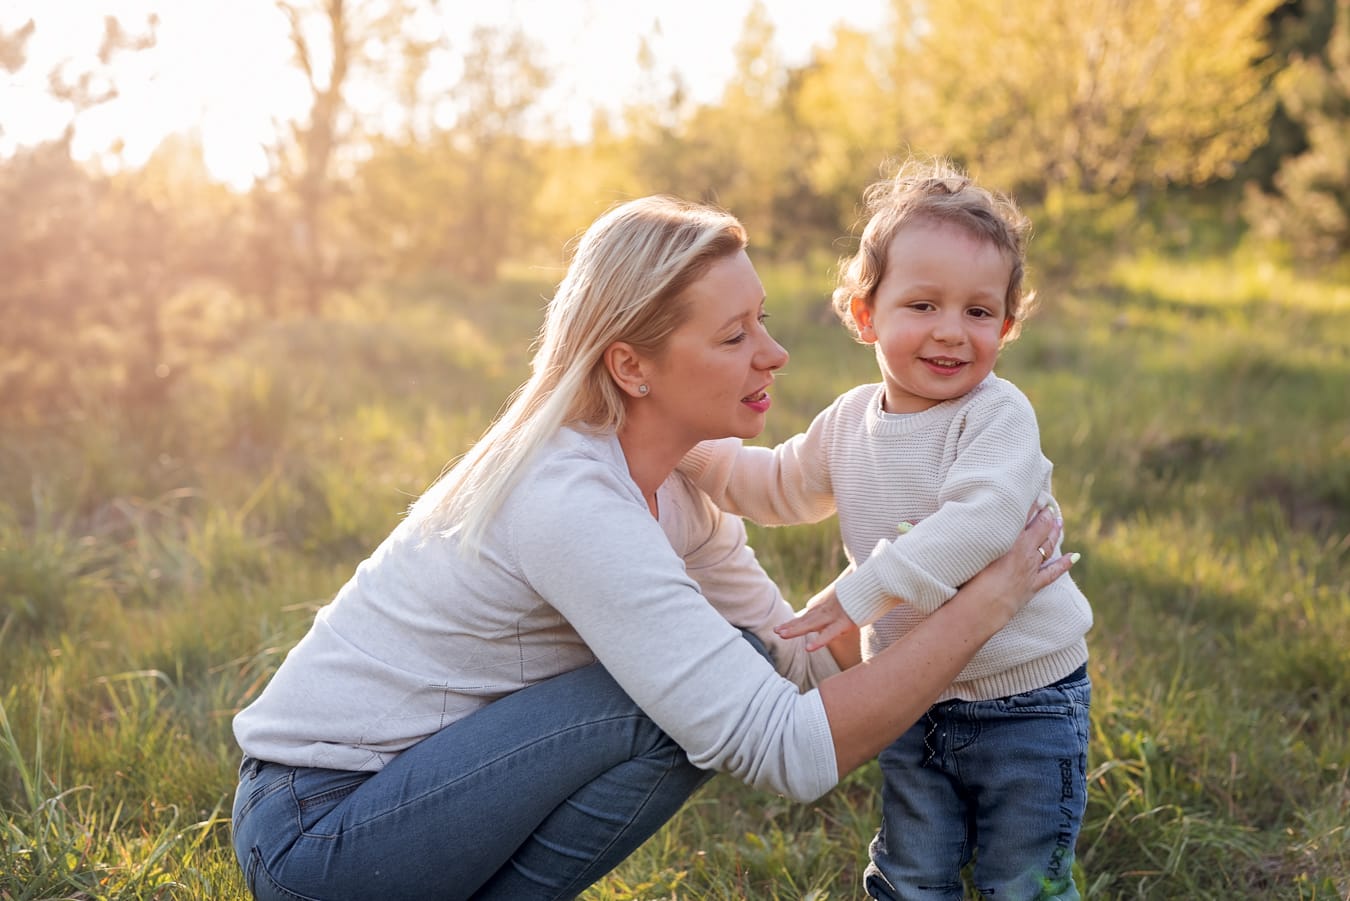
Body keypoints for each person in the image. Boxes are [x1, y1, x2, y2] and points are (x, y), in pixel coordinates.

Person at [228, 193, 1076, 901]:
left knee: (717, 672)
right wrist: (984, 602)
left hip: (419, 803)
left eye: (764, 322)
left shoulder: (677, 490)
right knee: (666, 703)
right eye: (734, 334)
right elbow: (787, 746)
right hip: (319, 832)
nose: (775, 355)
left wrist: (936, 571)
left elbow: (794, 666)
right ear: (632, 366)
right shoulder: (568, 498)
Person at [678, 157, 1094, 900]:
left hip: (1027, 702)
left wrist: (864, 589)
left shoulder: (996, 415)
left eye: (978, 312)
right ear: (866, 314)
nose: (951, 333)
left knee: (1020, 879)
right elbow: (776, 484)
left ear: (1006, 323)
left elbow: (985, 521)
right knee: (909, 871)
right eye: (923, 305)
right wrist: (693, 449)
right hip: (913, 695)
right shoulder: (849, 421)